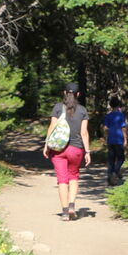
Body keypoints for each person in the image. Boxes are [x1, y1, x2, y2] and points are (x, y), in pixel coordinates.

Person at [42, 82, 90, 220]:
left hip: (58, 149)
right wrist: (87, 151)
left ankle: (64, 212)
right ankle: (71, 206)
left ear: (64, 92)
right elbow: (84, 133)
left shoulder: (58, 108)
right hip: (76, 149)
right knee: (73, 177)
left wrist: (46, 144)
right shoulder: (82, 110)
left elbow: (52, 127)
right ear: (78, 94)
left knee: (62, 180)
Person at [103, 97, 128, 186]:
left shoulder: (108, 115)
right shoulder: (121, 115)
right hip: (119, 139)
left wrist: (107, 137)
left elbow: (105, 128)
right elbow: (123, 127)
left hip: (111, 139)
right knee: (121, 158)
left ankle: (110, 177)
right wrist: (125, 138)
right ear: (118, 105)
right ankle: (115, 171)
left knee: (111, 159)